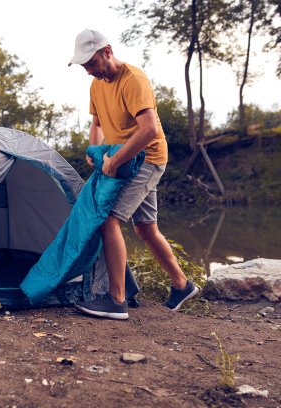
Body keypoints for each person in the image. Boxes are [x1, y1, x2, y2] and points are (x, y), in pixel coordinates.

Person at [69, 29, 200, 320]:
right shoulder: (97, 84)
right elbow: (97, 123)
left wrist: (114, 160)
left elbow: (149, 129)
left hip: (148, 158)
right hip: (124, 160)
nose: (88, 70)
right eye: (83, 66)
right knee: (145, 228)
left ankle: (117, 300)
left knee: (109, 220)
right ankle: (182, 285)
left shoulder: (133, 80)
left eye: (90, 63)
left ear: (107, 51)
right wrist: (95, 150)